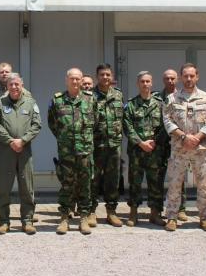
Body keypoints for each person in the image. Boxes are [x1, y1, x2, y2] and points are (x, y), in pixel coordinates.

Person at [162, 63, 206, 232]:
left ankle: (205, 217)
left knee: (203, 184)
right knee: (174, 183)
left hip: (201, 149)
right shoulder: (172, 99)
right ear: (180, 77)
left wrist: (198, 138)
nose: (188, 79)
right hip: (179, 149)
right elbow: (167, 120)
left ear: (197, 77)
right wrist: (184, 136)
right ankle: (172, 217)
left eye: (192, 76)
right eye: (185, 76)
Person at [0, 62, 32, 222]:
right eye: (2, 72)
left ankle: (27, 213)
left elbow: (30, 115)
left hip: (20, 142)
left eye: (7, 71)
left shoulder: (25, 93)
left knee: (24, 178)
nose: (5, 74)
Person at [0, 73, 41, 235]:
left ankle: (27, 221)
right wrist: (10, 141)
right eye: (11, 84)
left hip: (24, 151)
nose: (14, 87)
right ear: (7, 86)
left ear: (22, 85)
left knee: (26, 187)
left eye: (17, 84)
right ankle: (4, 221)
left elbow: (37, 125)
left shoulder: (31, 103)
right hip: (6, 151)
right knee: (4, 187)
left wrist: (23, 140)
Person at [48, 68, 96, 235]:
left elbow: (95, 122)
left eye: (78, 79)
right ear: (67, 80)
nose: (75, 82)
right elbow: (53, 123)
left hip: (85, 150)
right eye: (72, 79)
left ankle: (83, 217)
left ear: (82, 80)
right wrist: (64, 139)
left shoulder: (91, 99)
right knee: (66, 184)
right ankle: (64, 217)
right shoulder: (57, 100)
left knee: (85, 185)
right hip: (66, 151)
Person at [123, 71, 166, 227]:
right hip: (137, 151)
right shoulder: (131, 104)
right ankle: (133, 214)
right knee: (135, 182)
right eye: (142, 81)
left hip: (155, 151)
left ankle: (155, 214)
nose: (145, 84)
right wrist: (141, 143)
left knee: (155, 183)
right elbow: (127, 127)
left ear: (152, 83)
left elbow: (165, 126)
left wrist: (154, 142)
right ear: (138, 84)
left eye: (148, 81)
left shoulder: (160, 104)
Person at [91, 63, 124, 227]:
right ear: (97, 76)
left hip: (114, 145)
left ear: (111, 77)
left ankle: (111, 212)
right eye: (102, 74)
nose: (105, 77)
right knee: (93, 179)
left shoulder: (118, 95)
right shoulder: (89, 96)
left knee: (113, 180)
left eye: (108, 75)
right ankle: (91, 211)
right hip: (95, 146)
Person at [154, 69, 189, 221]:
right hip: (161, 142)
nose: (170, 81)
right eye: (167, 78)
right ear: (163, 80)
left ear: (177, 80)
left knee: (179, 175)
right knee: (158, 176)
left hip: (179, 141)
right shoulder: (156, 98)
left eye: (172, 78)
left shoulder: (182, 97)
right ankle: (157, 209)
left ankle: (181, 208)